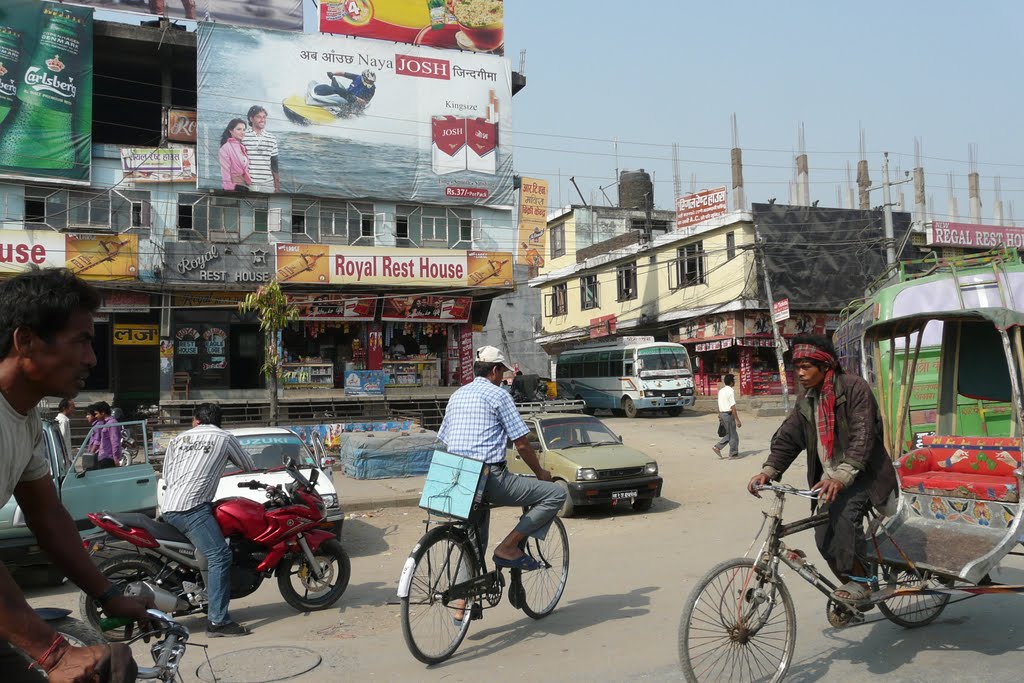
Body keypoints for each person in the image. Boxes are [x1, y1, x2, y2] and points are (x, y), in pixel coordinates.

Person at [0, 268, 149, 681]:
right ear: (26, 341)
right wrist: (54, 653)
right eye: (82, 340)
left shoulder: (25, 418)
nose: (92, 358)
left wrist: (108, 593)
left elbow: (47, 514)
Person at [746, 334, 898, 605]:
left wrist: (842, 476)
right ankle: (854, 583)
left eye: (807, 367)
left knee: (844, 519)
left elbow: (863, 437)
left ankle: (860, 584)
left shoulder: (854, 388)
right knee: (823, 537)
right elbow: (789, 438)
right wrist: (768, 470)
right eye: (798, 367)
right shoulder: (807, 398)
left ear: (825, 366)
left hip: (865, 474)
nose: (801, 373)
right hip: (829, 479)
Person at [437, 346, 566, 578]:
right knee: (555, 494)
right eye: (502, 373)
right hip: (487, 477)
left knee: (472, 539)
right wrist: (539, 472)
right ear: (495, 370)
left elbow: (446, 439)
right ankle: (508, 547)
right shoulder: (499, 395)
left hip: (453, 476)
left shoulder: (457, 395)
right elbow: (523, 444)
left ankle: (461, 603)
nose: (502, 378)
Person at [160, 403, 257, 637]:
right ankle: (218, 621)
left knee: (209, 551)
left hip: (169, 506)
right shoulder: (224, 437)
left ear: (195, 420)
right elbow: (248, 465)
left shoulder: (179, 439)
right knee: (220, 556)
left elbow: (167, 475)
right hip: (191, 509)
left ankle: (204, 594)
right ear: (218, 421)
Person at [242, 106, 280, 193]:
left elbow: (274, 164)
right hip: (248, 183)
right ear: (251, 119)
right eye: (259, 117)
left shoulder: (272, 138)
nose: (262, 120)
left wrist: (277, 186)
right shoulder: (243, 136)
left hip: (267, 184)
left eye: (264, 117)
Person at [312, 70, 377, 109]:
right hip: (347, 94)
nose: (370, 83)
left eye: (371, 82)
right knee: (335, 82)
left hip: (353, 102)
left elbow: (365, 103)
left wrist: (356, 99)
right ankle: (319, 99)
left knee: (338, 90)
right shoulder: (358, 77)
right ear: (364, 77)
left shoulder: (372, 89)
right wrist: (333, 73)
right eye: (368, 81)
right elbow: (343, 73)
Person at [217, 118, 251, 192]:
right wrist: (231, 186)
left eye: (244, 129)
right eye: (239, 129)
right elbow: (225, 171)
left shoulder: (242, 147)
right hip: (234, 188)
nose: (242, 132)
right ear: (231, 131)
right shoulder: (225, 148)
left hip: (244, 186)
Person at [712, 373, 741, 458]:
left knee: (729, 434)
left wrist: (719, 415)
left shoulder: (721, 391)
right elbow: (733, 407)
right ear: (731, 382)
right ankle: (733, 454)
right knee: (733, 436)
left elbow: (719, 404)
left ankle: (718, 447)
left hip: (722, 414)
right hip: (728, 415)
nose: (735, 382)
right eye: (734, 381)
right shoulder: (730, 391)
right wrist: (737, 420)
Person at [85, 401, 121, 469]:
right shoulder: (104, 423)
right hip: (103, 457)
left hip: (108, 458)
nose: (95, 416)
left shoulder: (112, 423)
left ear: (103, 413)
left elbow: (114, 442)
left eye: (96, 414)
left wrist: (116, 459)